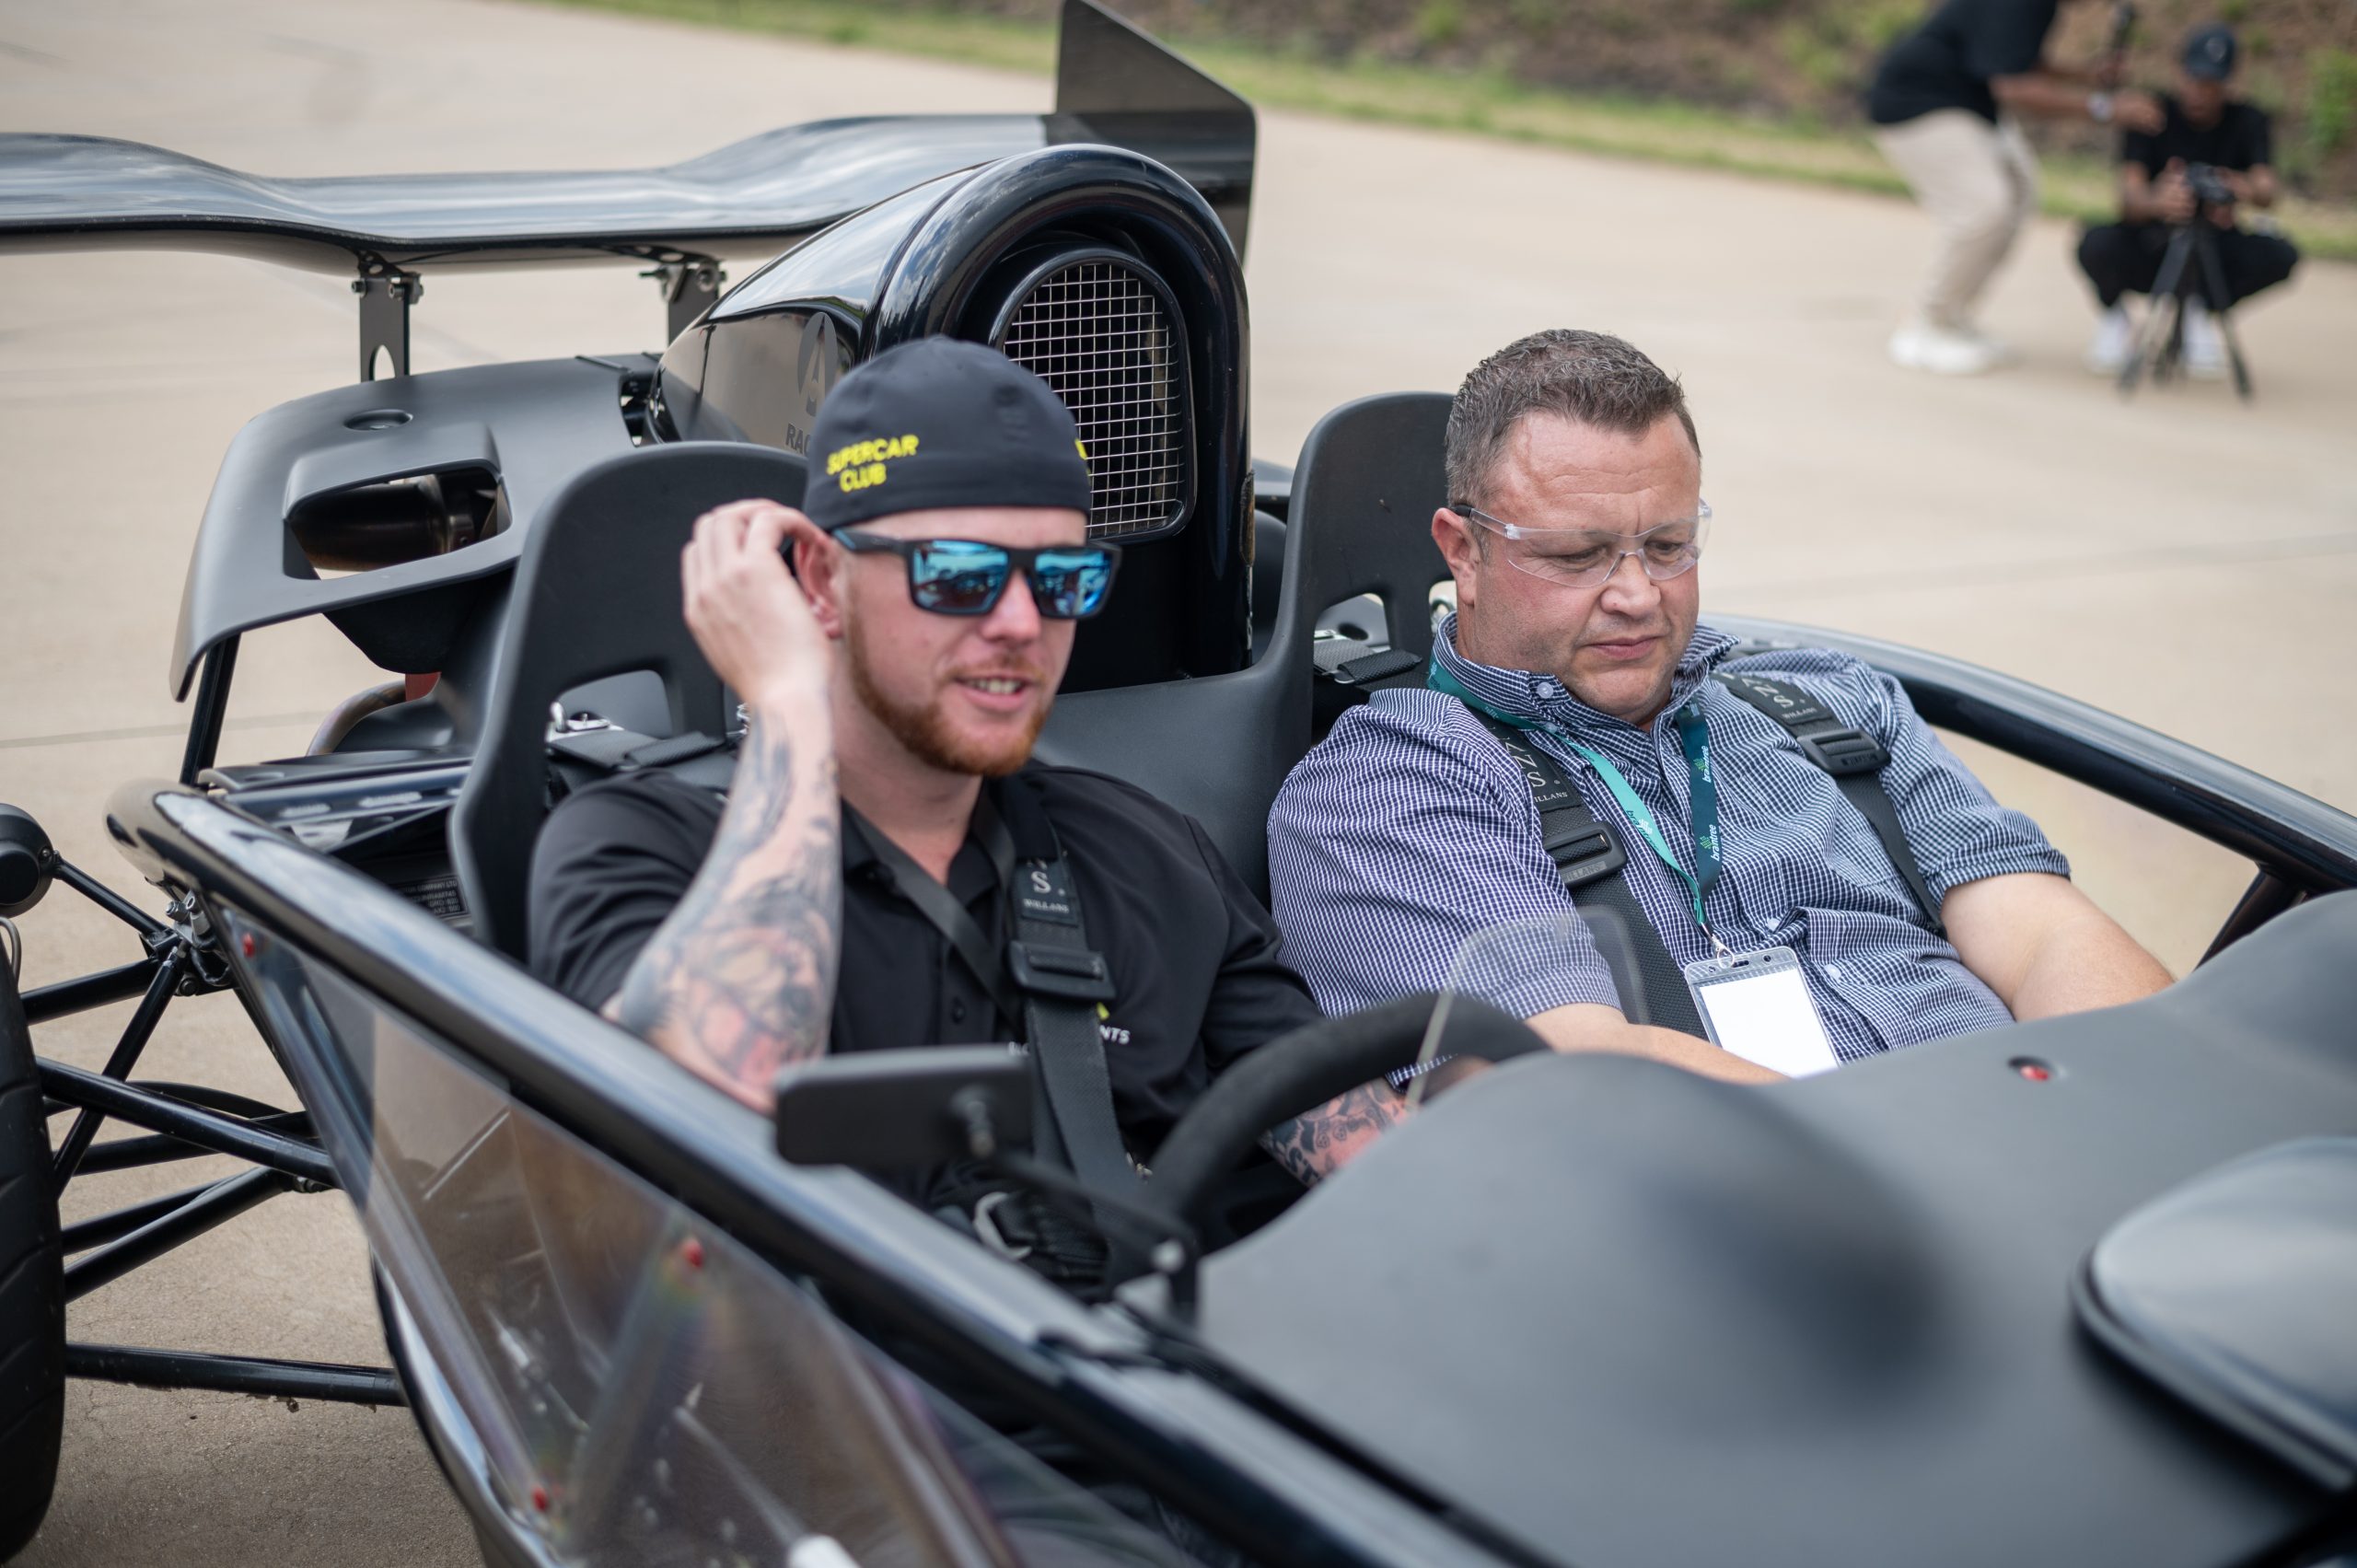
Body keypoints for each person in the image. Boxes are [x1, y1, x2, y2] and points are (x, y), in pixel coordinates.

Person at [529, 337, 1400, 1246]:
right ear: (822, 582)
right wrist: (787, 702)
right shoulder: (637, 845)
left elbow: (1386, 1177)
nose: (1022, 624)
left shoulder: (1148, 857)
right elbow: (697, 1136)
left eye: (1061, 579)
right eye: (958, 576)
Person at [1268, 329, 2173, 1083]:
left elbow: (2048, 934)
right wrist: (1953, 1158)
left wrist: (2098, 1107)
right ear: (1461, 550)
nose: (1636, 594)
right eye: (1577, 555)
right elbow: (1571, 1077)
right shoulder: (1390, 786)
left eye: (1667, 544)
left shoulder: (1832, 704)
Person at [1866, 0, 2164, 375]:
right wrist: (2103, 108)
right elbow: (2013, 86)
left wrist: (2084, 76)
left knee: (2017, 198)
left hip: (1965, 106)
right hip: (1917, 105)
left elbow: (2011, 59)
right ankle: (1924, 326)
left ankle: (1953, 317)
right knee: (1984, 208)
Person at [2077, 24, 2297, 377]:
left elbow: (2267, 189)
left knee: (2280, 254)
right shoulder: (2151, 113)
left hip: (2214, 243)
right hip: (2153, 241)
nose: (2200, 92)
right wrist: (2158, 201)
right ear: (2179, 71)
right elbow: (2128, 197)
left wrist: (2233, 186)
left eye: (2211, 84)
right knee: (2095, 242)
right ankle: (2115, 320)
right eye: (2194, 79)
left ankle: (2201, 313)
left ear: (2228, 82)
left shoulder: (2247, 120)